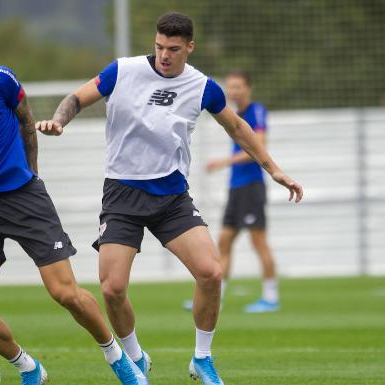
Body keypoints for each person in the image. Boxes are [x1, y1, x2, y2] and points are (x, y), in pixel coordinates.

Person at [36, 12, 303, 385]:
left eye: (173, 49)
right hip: (122, 194)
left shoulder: (203, 87)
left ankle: (202, 359)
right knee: (112, 289)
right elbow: (77, 98)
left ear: (189, 47)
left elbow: (238, 127)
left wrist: (273, 169)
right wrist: (59, 120)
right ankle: (134, 358)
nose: (164, 55)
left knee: (211, 272)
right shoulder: (123, 71)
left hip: (172, 196)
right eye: (159, 47)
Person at [0, 17, 148, 385]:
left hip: (22, 197)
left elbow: (26, 122)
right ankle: (30, 369)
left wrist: (32, 175)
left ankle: (121, 361)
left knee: (64, 293)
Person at [206, 70, 280, 313]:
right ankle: (217, 296)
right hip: (236, 189)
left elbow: (259, 146)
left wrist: (223, 162)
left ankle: (270, 297)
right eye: (230, 87)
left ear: (248, 88)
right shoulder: (234, 114)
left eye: (238, 87)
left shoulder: (256, 111)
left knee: (259, 242)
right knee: (224, 241)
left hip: (251, 186)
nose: (233, 92)